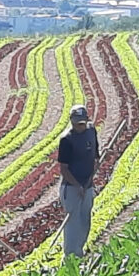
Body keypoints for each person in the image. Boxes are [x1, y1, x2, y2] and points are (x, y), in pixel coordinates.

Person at [58, 104, 100, 258]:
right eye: (76, 124)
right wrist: (77, 185)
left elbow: (95, 155)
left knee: (85, 219)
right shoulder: (67, 140)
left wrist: (89, 180)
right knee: (73, 222)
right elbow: (64, 169)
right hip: (71, 187)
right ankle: (70, 255)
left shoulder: (91, 132)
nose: (79, 127)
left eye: (82, 123)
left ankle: (79, 252)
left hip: (87, 184)